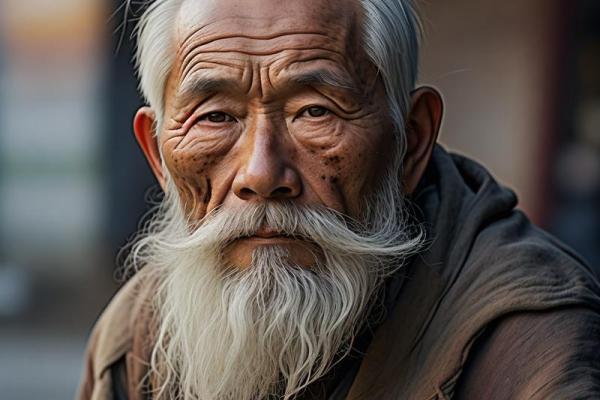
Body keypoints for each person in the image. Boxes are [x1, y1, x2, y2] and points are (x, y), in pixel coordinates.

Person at [79, 0, 600, 398]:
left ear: (411, 141)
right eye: (216, 116)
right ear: (157, 155)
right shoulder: (140, 335)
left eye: (315, 111)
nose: (261, 173)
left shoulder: (533, 353)